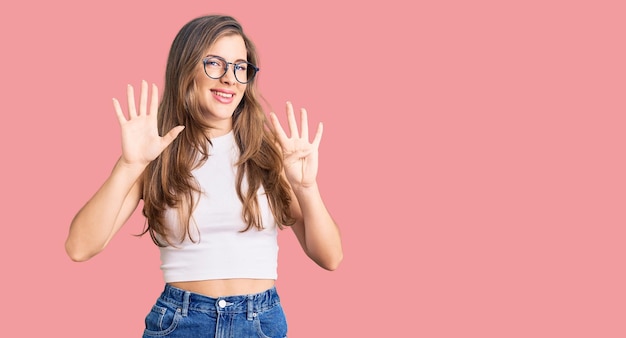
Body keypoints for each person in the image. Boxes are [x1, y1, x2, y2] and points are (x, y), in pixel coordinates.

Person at [65, 14, 343, 337]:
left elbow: (331, 257)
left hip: (260, 324)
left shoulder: (270, 154)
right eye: (215, 63)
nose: (230, 79)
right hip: (180, 323)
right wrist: (128, 166)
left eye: (240, 67)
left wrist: (307, 188)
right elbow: (79, 247)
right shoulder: (155, 153)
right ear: (186, 70)